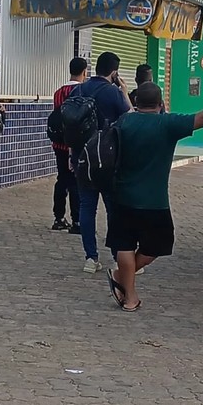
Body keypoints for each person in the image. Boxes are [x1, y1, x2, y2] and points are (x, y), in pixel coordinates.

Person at [107, 84, 203, 311]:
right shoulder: (167, 124)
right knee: (155, 248)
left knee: (124, 246)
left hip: (120, 197)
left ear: (136, 103)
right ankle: (130, 295)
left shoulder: (124, 121)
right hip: (154, 202)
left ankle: (122, 279)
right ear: (161, 104)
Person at [73, 51, 132, 274]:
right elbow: (129, 117)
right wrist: (124, 92)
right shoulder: (113, 93)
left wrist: (73, 155)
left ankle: (91, 257)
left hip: (82, 158)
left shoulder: (79, 89)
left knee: (86, 208)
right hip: (108, 160)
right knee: (112, 209)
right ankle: (118, 257)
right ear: (114, 72)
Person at [51, 58, 87, 233]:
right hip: (76, 144)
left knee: (62, 179)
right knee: (75, 182)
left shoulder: (58, 92)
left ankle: (58, 218)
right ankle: (77, 221)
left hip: (58, 144)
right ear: (84, 72)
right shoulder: (82, 91)